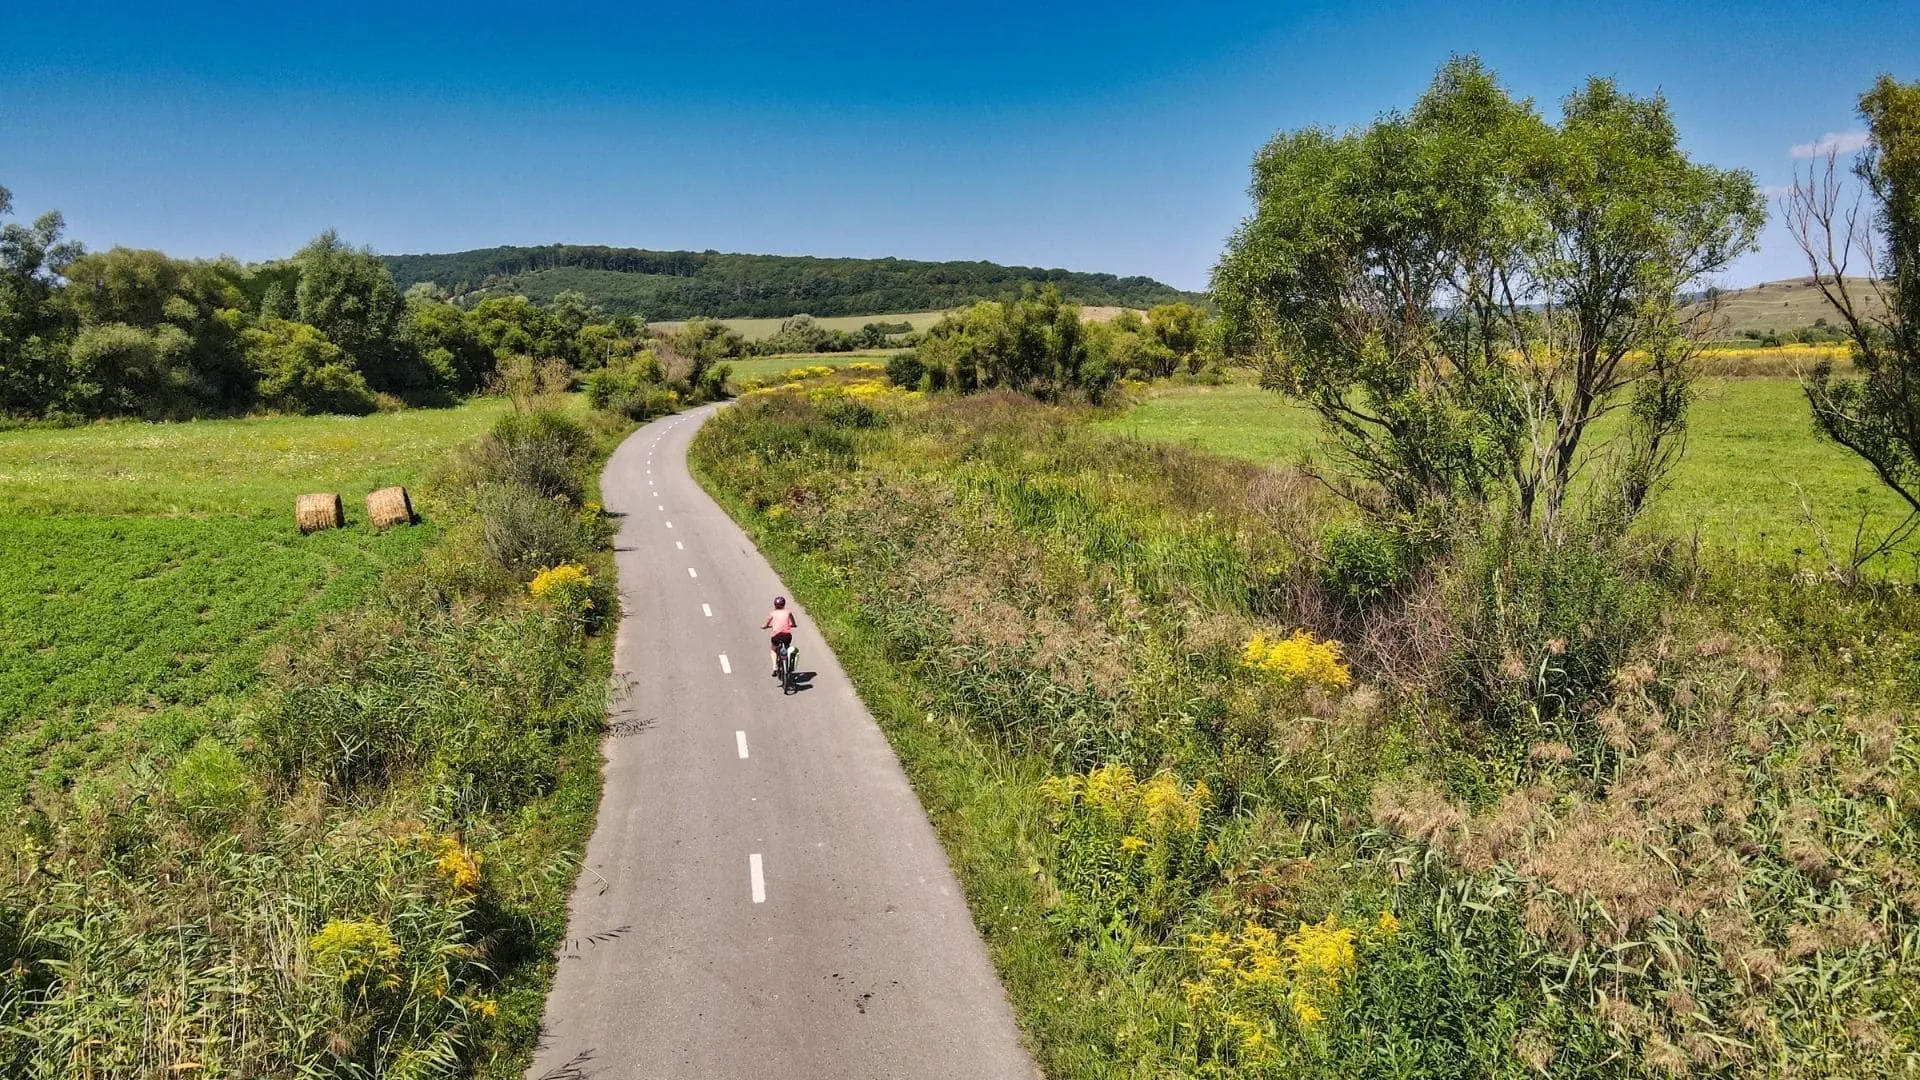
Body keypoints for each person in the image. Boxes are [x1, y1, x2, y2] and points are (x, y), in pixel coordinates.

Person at [762, 596, 797, 678]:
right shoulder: (788, 612)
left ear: (775, 605)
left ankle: (774, 667)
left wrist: (764, 626)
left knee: (773, 649)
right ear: (784, 604)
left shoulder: (772, 613)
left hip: (776, 636)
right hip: (787, 636)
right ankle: (787, 661)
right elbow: (793, 622)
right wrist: (794, 625)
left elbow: (766, 624)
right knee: (787, 647)